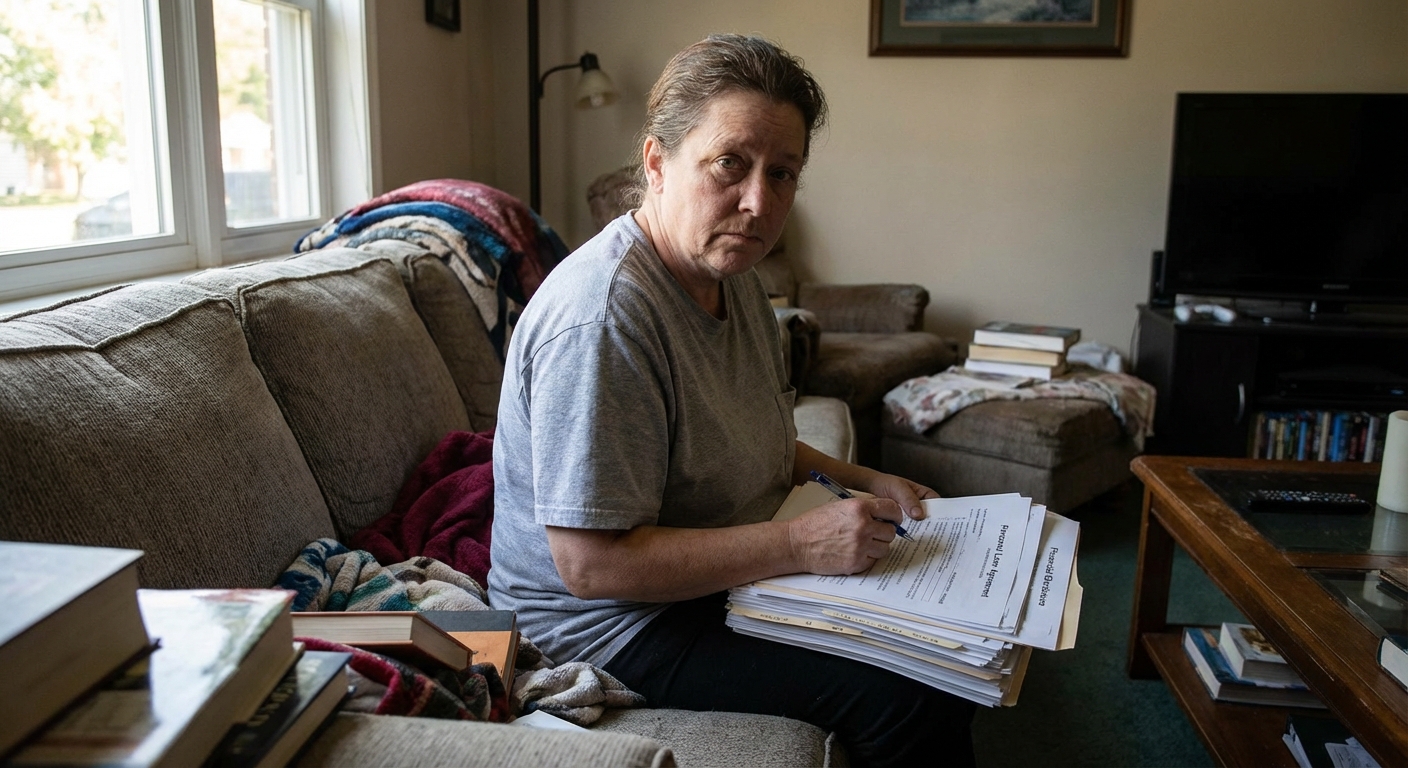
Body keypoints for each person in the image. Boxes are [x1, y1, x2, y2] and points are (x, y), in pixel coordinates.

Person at [488, 33, 976, 767]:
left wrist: (868, 479)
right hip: (610, 625)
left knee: (944, 646)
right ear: (656, 163)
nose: (757, 203)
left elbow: (761, 441)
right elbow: (592, 567)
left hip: (705, 576)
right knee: (910, 694)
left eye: (783, 173)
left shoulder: (736, 277)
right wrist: (799, 544)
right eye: (730, 164)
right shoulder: (605, 319)